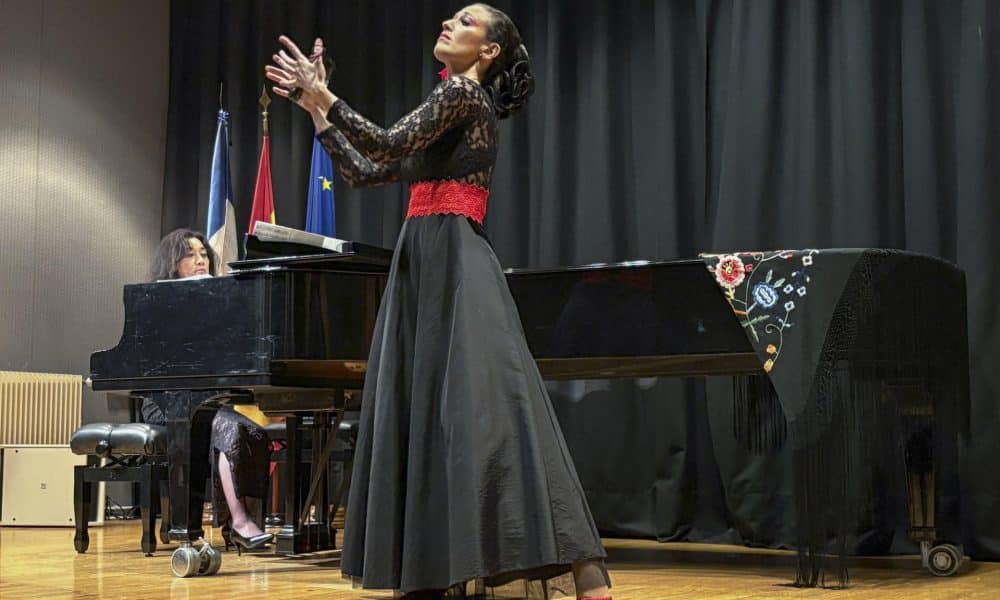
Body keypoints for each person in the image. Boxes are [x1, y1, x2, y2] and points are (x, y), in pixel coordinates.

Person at [267, 4, 612, 599]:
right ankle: (439, 569)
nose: (450, 23)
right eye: (451, 17)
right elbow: (367, 171)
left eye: (467, 22)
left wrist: (325, 95)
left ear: (489, 51)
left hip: (454, 256)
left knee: (494, 411)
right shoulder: (449, 101)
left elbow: (384, 141)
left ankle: (582, 567)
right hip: (423, 259)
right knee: (428, 411)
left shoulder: (463, 95)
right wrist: (316, 110)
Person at [143, 228, 273, 553]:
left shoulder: (218, 303)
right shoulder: (157, 302)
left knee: (251, 431)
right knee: (229, 428)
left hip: (207, 401)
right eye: (190, 255)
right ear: (173, 263)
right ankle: (239, 522)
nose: (200, 260)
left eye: (204, 254)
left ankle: (235, 523)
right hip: (168, 403)